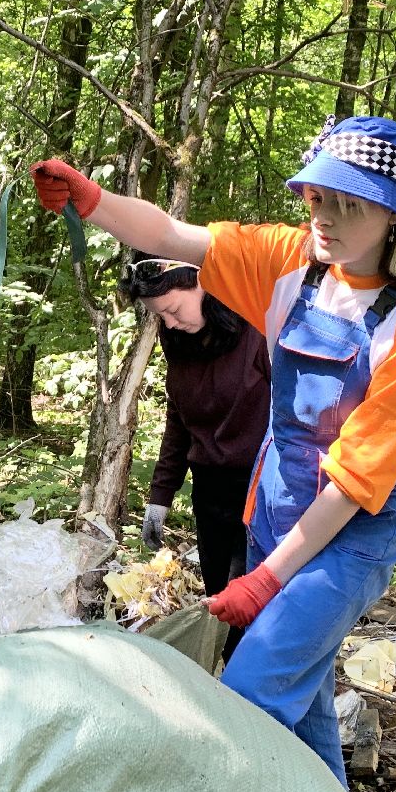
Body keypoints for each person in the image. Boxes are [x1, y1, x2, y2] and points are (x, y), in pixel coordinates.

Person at [31, 115, 396, 785]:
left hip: (352, 536)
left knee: (249, 695)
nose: (327, 217)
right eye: (320, 196)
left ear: (394, 219)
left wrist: (266, 579)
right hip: (276, 510)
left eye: (351, 204)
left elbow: (353, 482)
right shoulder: (291, 264)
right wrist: (92, 200)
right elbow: (173, 237)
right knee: (310, 708)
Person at [119, 254, 269, 661]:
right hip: (210, 491)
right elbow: (180, 416)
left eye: (171, 310)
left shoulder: (257, 327)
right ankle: (225, 681)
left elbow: (294, 419)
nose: (168, 323)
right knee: (220, 598)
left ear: (202, 283)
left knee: (252, 604)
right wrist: (159, 496)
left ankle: (247, 700)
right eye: (159, 317)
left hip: (263, 490)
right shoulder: (178, 338)